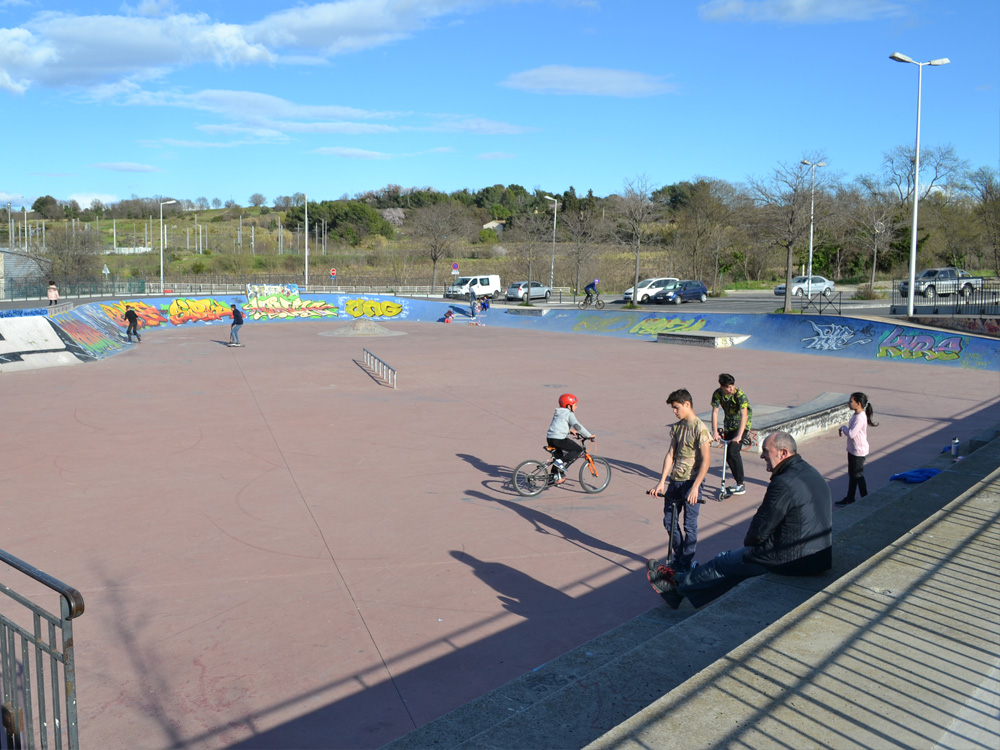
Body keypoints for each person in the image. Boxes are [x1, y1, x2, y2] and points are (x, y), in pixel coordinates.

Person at [648, 431, 832, 609]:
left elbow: (758, 532)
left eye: (766, 451)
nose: (762, 456)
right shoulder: (809, 471)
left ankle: (677, 588)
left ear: (783, 453)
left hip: (792, 558)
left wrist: (749, 547)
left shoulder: (783, 483)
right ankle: (681, 585)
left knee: (724, 560)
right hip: (817, 555)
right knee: (735, 566)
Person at [646, 389, 712, 574]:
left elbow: (706, 461)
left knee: (689, 525)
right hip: (675, 481)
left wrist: (696, 487)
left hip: (692, 482)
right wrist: (661, 483)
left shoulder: (700, 429)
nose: (675, 412)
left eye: (676, 408)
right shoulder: (677, 428)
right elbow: (670, 455)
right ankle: (680, 557)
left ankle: (685, 562)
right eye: (673, 409)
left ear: (687, 405)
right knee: (669, 521)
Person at [710, 373, 753, 498]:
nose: (731, 389)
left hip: (742, 424)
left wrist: (739, 435)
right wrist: (715, 432)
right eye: (728, 387)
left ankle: (740, 484)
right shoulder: (717, 394)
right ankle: (737, 483)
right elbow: (715, 412)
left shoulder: (739, 395)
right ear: (722, 386)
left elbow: (744, 415)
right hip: (729, 424)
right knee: (728, 455)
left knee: (733, 452)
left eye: (732, 385)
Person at [836, 392, 878, 507]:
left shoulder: (860, 417)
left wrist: (843, 427)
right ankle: (850, 497)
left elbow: (852, 434)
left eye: (851, 401)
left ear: (858, 403)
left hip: (858, 451)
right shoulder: (857, 414)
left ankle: (865, 498)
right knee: (853, 474)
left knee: (858, 475)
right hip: (853, 449)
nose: (849, 403)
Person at [546, 393, 595, 485]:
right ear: (569, 406)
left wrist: (570, 431)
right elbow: (577, 426)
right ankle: (559, 463)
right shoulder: (569, 414)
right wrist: (588, 435)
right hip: (559, 439)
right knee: (578, 450)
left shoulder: (559, 412)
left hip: (550, 438)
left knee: (558, 457)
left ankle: (553, 477)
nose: (576, 407)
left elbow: (559, 426)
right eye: (575, 405)